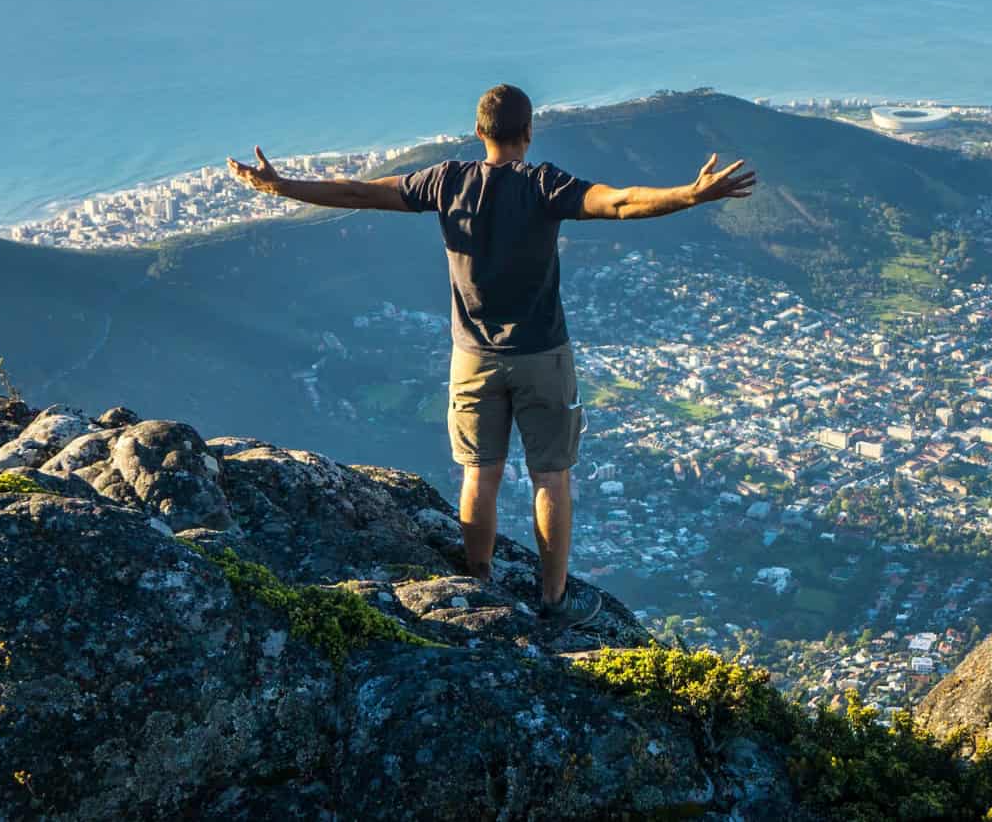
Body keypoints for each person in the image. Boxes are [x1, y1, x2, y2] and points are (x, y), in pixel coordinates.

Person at [229, 83, 755, 630]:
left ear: (479, 132)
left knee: (479, 473)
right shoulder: (544, 185)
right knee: (551, 476)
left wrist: (283, 186)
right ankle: (553, 599)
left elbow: (360, 192)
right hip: (543, 355)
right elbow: (619, 202)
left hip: (473, 356)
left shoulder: (447, 181)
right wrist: (690, 195)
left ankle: (476, 584)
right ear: (528, 133)